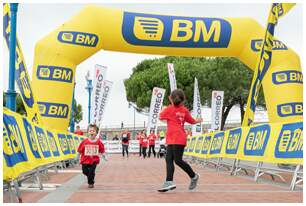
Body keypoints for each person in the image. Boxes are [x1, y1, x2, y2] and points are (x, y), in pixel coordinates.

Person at [158, 89, 203, 192]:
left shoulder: (169, 109)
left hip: (175, 137)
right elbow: (191, 121)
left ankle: (193, 176)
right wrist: (198, 120)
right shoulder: (184, 110)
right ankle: (169, 182)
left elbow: (160, 116)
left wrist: (164, 108)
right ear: (183, 100)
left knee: (176, 160)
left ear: (170, 98)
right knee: (170, 159)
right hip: (177, 138)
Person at [77, 124, 105, 188]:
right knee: (85, 171)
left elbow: (102, 149)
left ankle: (91, 183)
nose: (92, 132)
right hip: (85, 160)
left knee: (91, 171)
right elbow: (79, 150)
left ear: (96, 133)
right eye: (90, 130)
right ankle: (91, 176)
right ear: (88, 132)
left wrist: (104, 155)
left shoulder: (98, 141)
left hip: (94, 160)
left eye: (93, 131)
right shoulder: (84, 141)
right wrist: (77, 157)